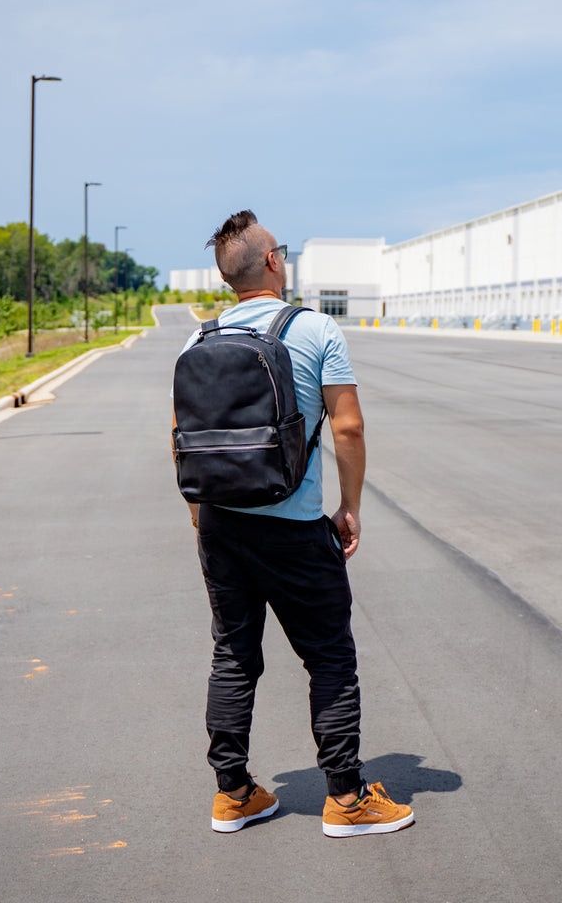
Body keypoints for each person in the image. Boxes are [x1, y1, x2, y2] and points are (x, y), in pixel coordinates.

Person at [173, 210, 414, 838]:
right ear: (274, 263)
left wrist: (202, 515)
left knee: (232, 655)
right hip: (294, 526)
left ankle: (233, 793)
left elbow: (181, 437)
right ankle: (346, 799)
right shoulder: (313, 330)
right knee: (329, 657)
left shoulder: (196, 342)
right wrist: (350, 505)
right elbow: (349, 425)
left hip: (222, 526)